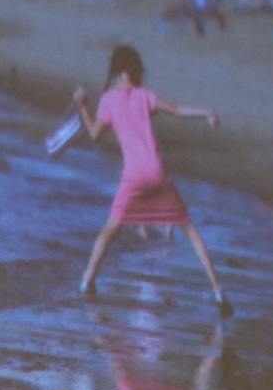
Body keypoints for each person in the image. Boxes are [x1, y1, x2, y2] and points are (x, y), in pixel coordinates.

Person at [72, 45, 233, 316]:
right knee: (189, 229)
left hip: (134, 175)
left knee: (111, 229)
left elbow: (95, 134)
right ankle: (218, 290)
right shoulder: (145, 96)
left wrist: (83, 107)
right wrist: (206, 113)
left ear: (121, 72)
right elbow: (178, 110)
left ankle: (87, 281)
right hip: (157, 171)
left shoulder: (109, 99)